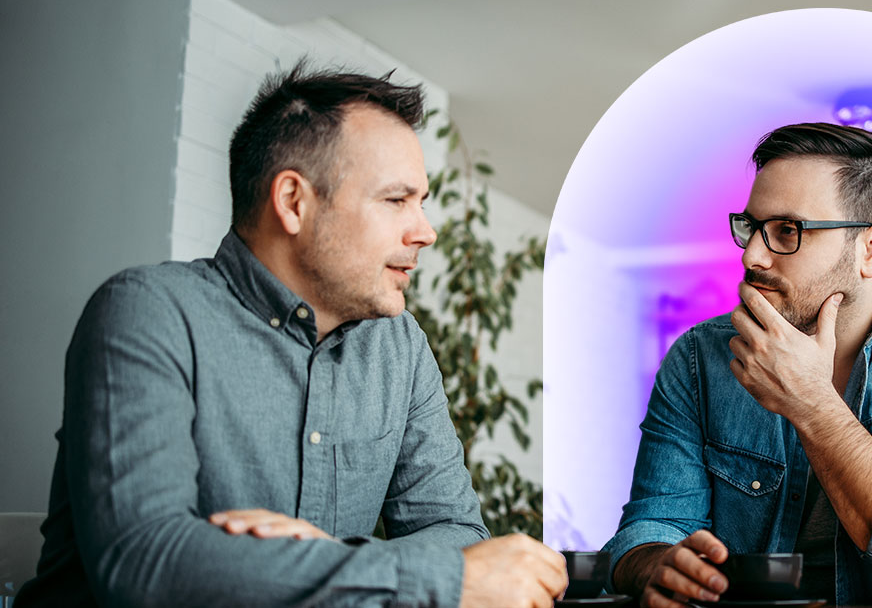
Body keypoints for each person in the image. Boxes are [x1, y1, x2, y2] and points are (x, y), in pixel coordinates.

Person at [16, 64, 567, 607]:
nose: (425, 232)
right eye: (397, 200)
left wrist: (324, 559)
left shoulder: (400, 348)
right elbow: (147, 562)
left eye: (420, 203)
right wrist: (362, 571)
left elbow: (457, 532)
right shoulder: (148, 312)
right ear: (293, 202)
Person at [603, 123, 872, 606]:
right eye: (751, 227)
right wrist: (654, 563)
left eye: (787, 231)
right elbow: (651, 525)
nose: (752, 255)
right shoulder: (698, 357)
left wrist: (813, 404)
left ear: (871, 250)